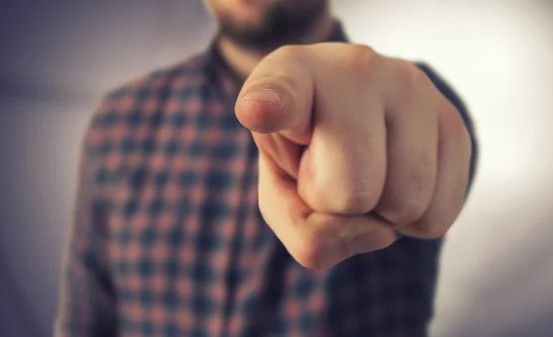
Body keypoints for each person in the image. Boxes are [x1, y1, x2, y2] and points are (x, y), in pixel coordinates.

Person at [55, 0, 478, 336]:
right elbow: (87, 318)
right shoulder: (120, 119)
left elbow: (425, 129)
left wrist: (407, 114)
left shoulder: (406, 104)